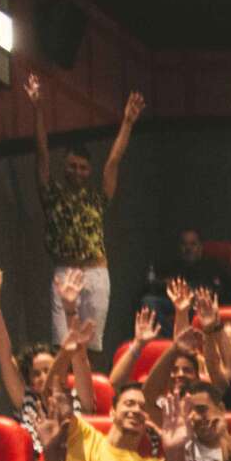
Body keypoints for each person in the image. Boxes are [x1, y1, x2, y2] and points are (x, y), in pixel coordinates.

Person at [27, 77, 144, 342]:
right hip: (64, 272)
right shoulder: (52, 194)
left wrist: (127, 122)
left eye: (82, 167)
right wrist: (38, 109)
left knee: (91, 344)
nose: (77, 171)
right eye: (72, 166)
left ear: (89, 170)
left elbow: (114, 161)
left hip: (96, 272)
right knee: (64, 343)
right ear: (65, 167)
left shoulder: (97, 197)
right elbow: (42, 153)